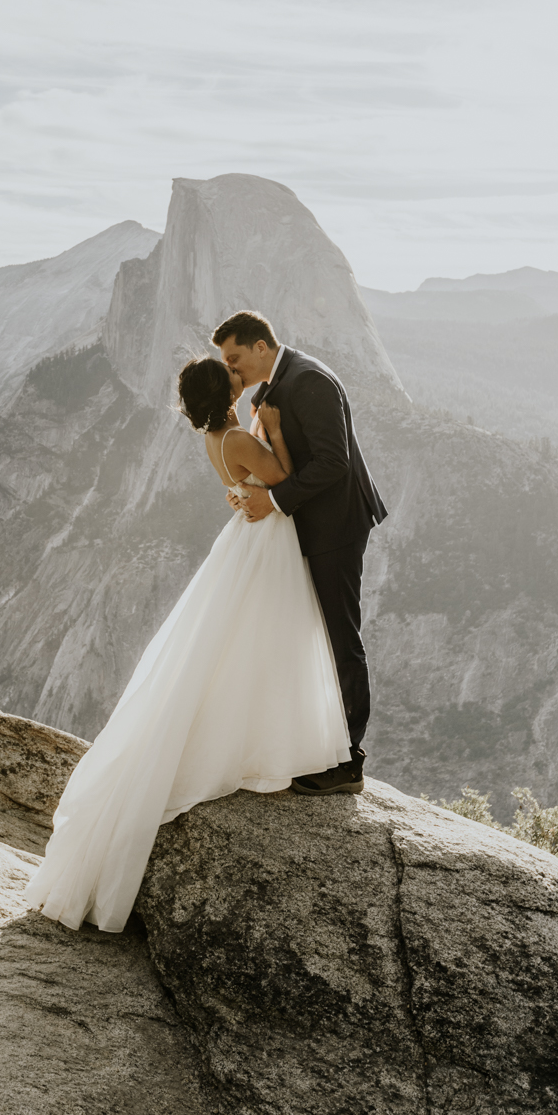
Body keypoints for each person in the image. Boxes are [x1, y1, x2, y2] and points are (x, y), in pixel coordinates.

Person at [24, 348, 351, 933]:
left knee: (241, 642)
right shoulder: (243, 437)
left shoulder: (218, 438)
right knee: (264, 639)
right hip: (265, 538)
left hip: (248, 535)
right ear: (224, 394)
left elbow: (248, 475)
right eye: (230, 375)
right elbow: (279, 477)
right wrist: (275, 431)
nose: (238, 376)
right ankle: (260, 742)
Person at [212, 310, 387, 795]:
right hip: (304, 526)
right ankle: (318, 744)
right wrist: (250, 488)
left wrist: (273, 499)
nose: (231, 369)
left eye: (235, 358)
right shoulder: (273, 384)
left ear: (261, 347)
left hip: (335, 527)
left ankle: (348, 762)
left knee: (339, 636)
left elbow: (334, 461)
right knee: (310, 635)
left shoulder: (308, 381)